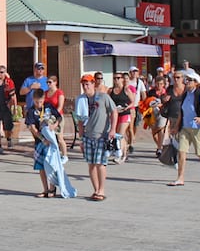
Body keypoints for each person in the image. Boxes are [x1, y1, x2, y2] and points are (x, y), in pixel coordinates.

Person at [171, 69, 200, 185]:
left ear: (196, 82)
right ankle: (180, 178)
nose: (187, 82)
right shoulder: (185, 94)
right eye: (187, 80)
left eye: (190, 80)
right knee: (181, 151)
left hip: (197, 128)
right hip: (185, 127)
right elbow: (182, 111)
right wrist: (176, 126)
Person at [78, 73, 117, 201]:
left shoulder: (103, 97)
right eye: (83, 84)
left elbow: (114, 111)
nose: (85, 86)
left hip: (101, 135)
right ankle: (95, 189)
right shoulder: (81, 99)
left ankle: (102, 189)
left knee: (101, 163)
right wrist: (81, 138)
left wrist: (113, 129)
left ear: (93, 84)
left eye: (87, 84)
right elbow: (80, 120)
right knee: (91, 164)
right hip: (88, 136)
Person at [33, 108, 77, 198]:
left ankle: (52, 188)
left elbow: (59, 114)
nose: (39, 104)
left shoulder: (49, 106)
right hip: (41, 142)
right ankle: (45, 189)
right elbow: (32, 127)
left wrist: (54, 124)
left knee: (52, 165)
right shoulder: (32, 110)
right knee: (41, 167)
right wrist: (42, 139)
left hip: (51, 136)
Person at [19, 61, 49, 143]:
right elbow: (21, 92)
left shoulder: (47, 80)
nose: (40, 70)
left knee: (43, 128)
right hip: (31, 109)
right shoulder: (29, 80)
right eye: (38, 68)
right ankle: (38, 142)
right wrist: (30, 87)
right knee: (32, 128)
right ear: (35, 69)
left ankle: (43, 143)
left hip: (42, 109)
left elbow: (50, 92)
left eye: (42, 68)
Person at [109, 72, 134, 162]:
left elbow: (133, 102)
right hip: (115, 114)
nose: (116, 80)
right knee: (117, 135)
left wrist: (126, 107)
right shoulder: (111, 90)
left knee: (120, 134)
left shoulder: (126, 90)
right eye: (115, 78)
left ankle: (119, 155)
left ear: (122, 79)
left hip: (125, 113)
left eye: (118, 78)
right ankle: (124, 153)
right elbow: (108, 102)